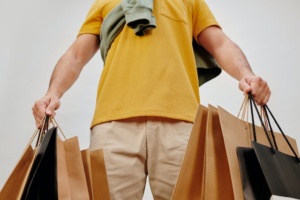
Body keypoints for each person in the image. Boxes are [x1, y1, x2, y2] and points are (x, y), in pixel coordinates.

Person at [32, 0, 271, 199]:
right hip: (113, 126)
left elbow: (220, 43)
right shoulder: (105, 1)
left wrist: (247, 75)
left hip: (181, 125)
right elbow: (76, 55)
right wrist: (53, 93)